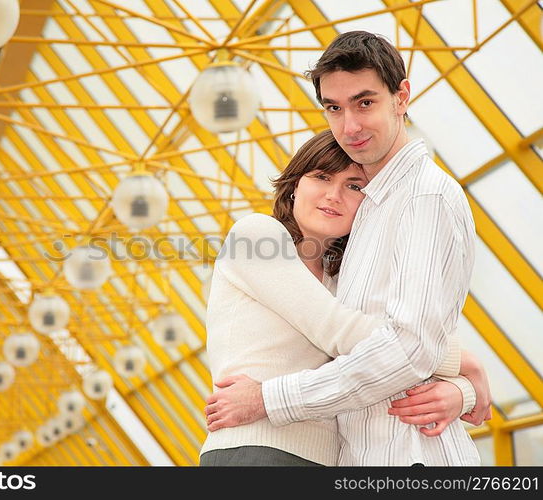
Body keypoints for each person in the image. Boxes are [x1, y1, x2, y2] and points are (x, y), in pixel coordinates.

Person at [203, 31, 491, 466]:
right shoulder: (258, 237)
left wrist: (461, 384)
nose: (350, 126)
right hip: (267, 449)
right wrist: (464, 364)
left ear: (401, 97)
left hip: (356, 455)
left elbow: (402, 345)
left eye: (365, 102)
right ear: (294, 182)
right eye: (333, 108)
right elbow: (358, 334)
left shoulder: (418, 201)